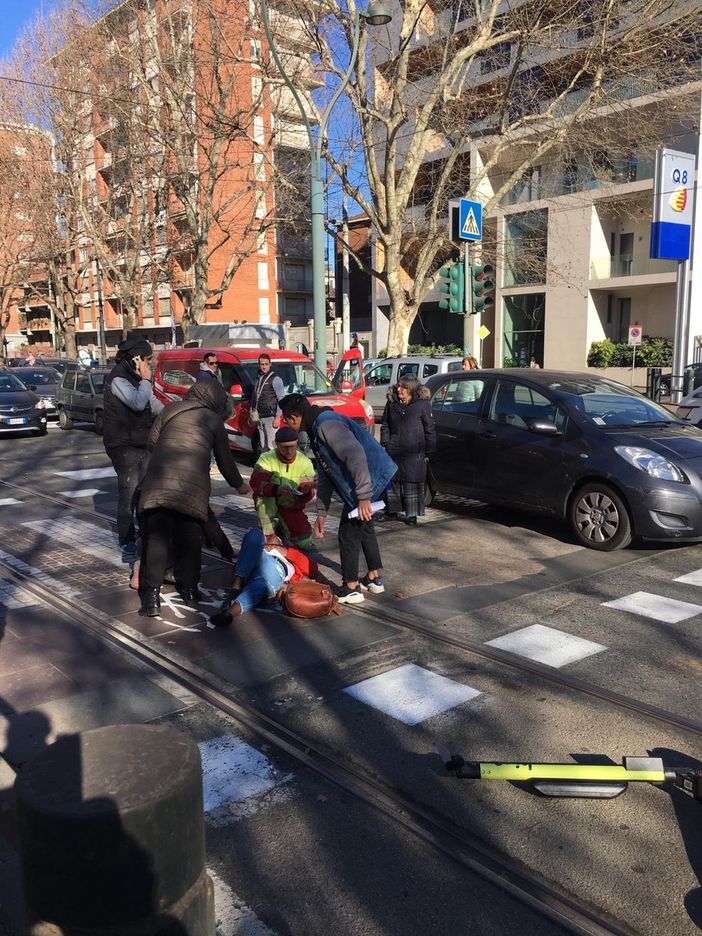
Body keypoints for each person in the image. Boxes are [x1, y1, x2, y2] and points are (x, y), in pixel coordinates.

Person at [137, 379, 251, 617]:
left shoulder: (170, 409)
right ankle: (189, 590)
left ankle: (151, 600)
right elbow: (225, 461)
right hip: (193, 489)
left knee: (156, 541)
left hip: (158, 483)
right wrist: (239, 484)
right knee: (189, 540)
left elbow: (151, 443)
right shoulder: (213, 420)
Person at [280, 393, 397, 605]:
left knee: (348, 533)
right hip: (370, 478)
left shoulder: (326, 424)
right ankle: (374, 577)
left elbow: (355, 455)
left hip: (370, 477)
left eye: (286, 419)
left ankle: (350, 587)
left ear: (295, 417)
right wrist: (322, 512)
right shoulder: (317, 428)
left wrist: (363, 497)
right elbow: (327, 473)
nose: (285, 423)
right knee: (365, 527)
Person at [103, 333, 164, 563]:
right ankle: (127, 540)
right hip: (122, 444)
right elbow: (138, 403)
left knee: (144, 490)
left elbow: (152, 404)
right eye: (148, 361)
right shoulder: (118, 379)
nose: (149, 365)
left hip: (141, 442)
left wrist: (174, 411)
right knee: (129, 492)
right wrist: (147, 379)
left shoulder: (136, 378)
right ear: (136, 360)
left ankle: (143, 533)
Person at [212, 526, 319, 624]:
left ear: (280, 541)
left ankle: (229, 613)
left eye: (271, 537)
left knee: (260, 585)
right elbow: (241, 564)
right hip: (252, 566)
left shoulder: (288, 555)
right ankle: (236, 585)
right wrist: (260, 547)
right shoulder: (257, 547)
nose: (267, 538)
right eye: (266, 538)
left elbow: (312, 568)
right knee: (254, 532)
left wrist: (286, 551)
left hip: (276, 571)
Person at [380, 376, 436, 526]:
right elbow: (385, 423)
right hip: (394, 447)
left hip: (414, 450)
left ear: (411, 389)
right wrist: (386, 441)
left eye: (403, 387)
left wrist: (430, 450)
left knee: (411, 481)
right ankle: (391, 511)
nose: (399, 389)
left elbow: (429, 428)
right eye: (398, 386)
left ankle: (412, 515)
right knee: (392, 481)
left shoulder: (422, 404)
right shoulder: (392, 402)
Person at [250, 427, 316, 548]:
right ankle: (268, 535)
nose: (289, 451)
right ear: (276, 445)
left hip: (291, 506)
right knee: (264, 500)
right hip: (270, 502)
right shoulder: (266, 458)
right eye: (285, 447)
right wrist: (277, 489)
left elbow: (309, 491)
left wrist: (306, 492)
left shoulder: (305, 462)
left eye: (292, 446)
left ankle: (282, 528)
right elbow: (256, 483)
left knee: (304, 542)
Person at [251, 353, 285, 453]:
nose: (264, 366)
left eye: (266, 364)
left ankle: (273, 467)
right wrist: (252, 413)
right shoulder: (258, 378)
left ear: (270, 364)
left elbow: (281, 399)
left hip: (271, 416)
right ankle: (265, 468)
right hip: (260, 417)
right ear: (259, 365)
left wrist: (278, 417)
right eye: (262, 364)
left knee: (272, 446)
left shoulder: (275, 379)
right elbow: (255, 397)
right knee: (263, 447)